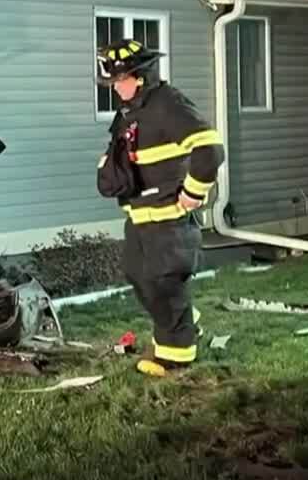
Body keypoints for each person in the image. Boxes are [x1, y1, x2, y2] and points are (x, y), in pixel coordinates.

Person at [95, 38, 225, 378]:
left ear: (139, 76)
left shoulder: (168, 103)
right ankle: (183, 321)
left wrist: (193, 193)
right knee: (139, 277)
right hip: (138, 217)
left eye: (119, 81)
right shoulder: (131, 112)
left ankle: (176, 358)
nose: (115, 88)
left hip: (168, 219)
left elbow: (209, 148)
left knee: (165, 283)